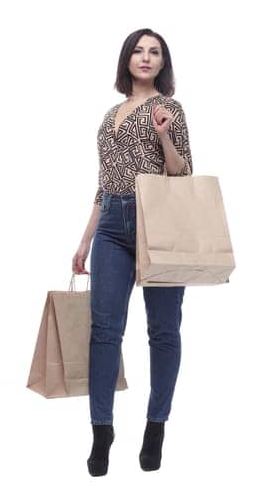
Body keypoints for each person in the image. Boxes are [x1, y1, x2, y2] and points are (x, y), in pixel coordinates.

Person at [70, 28, 192, 477]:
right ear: (127, 60)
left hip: (156, 220)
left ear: (163, 63)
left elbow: (182, 174)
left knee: (163, 331)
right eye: (138, 51)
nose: (145, 58)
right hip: (111, 225)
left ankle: (155, 426)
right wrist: (85, 239)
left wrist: (163, 136)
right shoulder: (110, 114)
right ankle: (102, 430)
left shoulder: (170, 109)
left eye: (154, 52)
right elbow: (104, 183)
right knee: (104, 331)